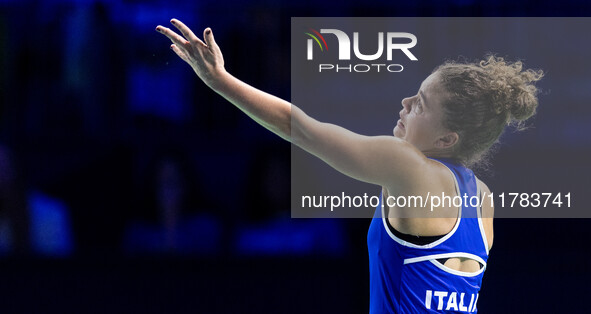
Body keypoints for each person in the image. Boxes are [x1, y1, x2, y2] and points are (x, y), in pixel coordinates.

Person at [155, 19, 543, 313]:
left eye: (421, 103)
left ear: (447, 139)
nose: (406, 102)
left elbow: (301, 129)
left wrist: (220, 81)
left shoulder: (407, 166)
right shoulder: (483, 199)